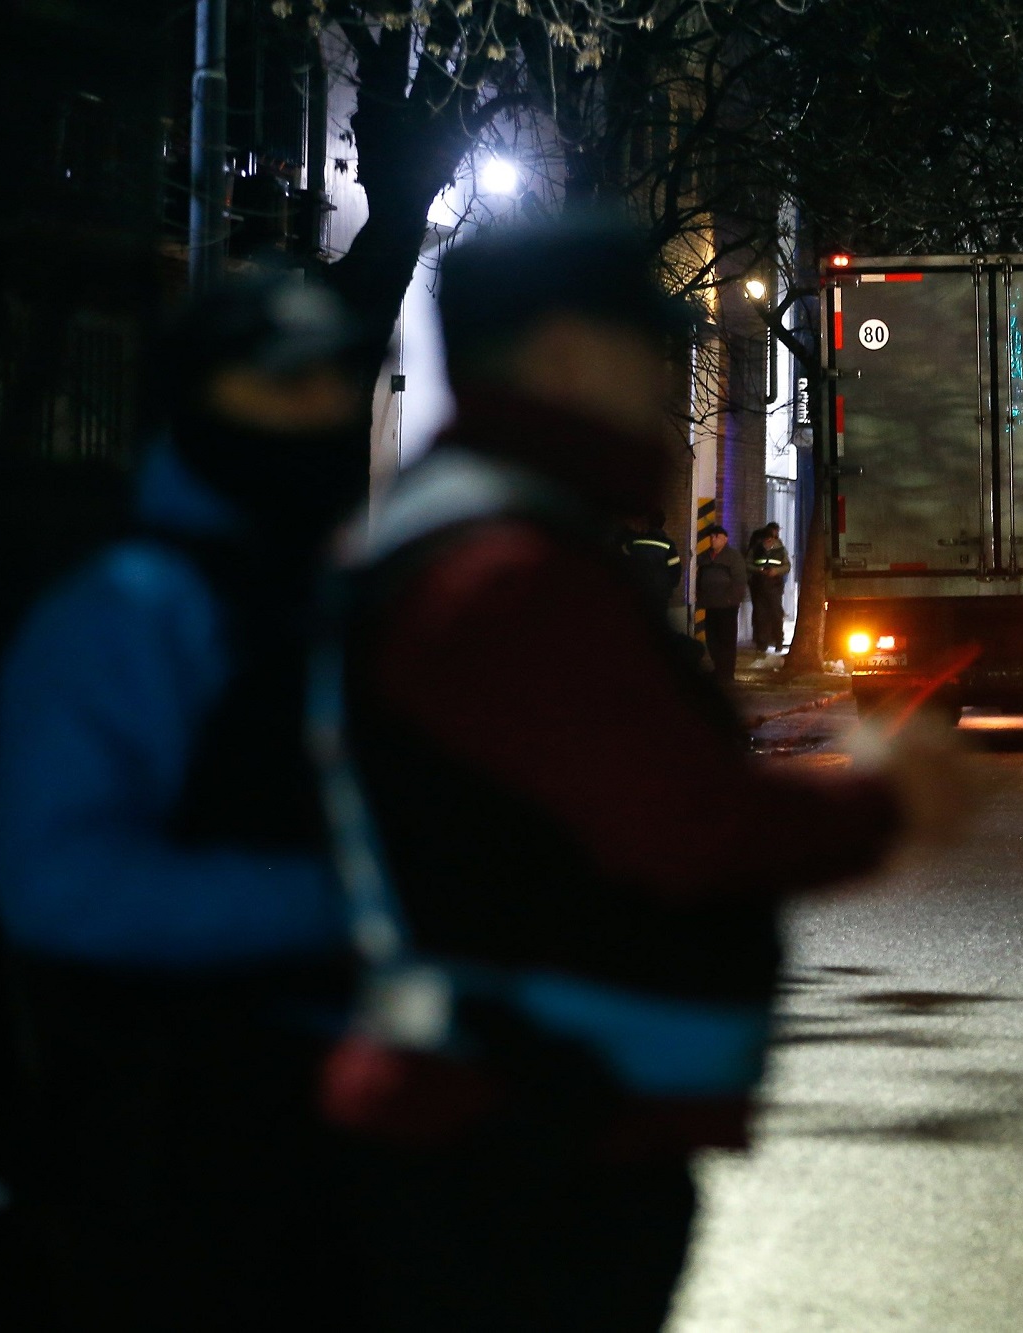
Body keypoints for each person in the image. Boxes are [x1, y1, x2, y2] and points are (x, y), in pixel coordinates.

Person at [332, 215, 965, 1333]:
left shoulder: (474, 530)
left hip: (511, 1118)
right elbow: (678, 824)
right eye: (645, 347)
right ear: (567, 352)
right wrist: (886, 797)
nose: (663, 384)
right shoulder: (514, 574)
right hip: (522, 1145)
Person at [0, 273, 371, 1331]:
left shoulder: (329, 594)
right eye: (284, 384)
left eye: (341, 381)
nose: (323, 411)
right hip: (171, 1137)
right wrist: (350, 901)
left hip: (342, 1132)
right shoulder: (124, 612)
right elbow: (58, 883)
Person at [695, 522, 747, 679]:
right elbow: (700, 577)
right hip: (711, 604)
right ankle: (718, 669)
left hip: (727, 605)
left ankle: (727, 672)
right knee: (712, 639)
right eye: (711, 537)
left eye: (716, 537)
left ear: (725, 539)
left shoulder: (732, 557)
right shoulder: (705, 557)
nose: (713, 540)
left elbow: (739, 579)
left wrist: (733, 599)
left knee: (726, 640)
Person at [617, 508, 683, 616]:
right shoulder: (668, 545)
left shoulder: (635, 543)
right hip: (660, 595)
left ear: (647, 523)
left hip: (639, 593)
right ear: (663, 523)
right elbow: (675, 571)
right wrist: (667, 587)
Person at [748, 520, 791, 654]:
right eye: (766, 541)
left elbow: (787, 566)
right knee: (761, 615)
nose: (768, 543)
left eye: (770, 540)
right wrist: (758, 570)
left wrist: (776, 572)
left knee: (775, 614)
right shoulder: (756, 549)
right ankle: (762, 642)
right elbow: (747, 563)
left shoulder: (780, 550)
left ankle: (778, 640)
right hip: (759, 585)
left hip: (774, 585)